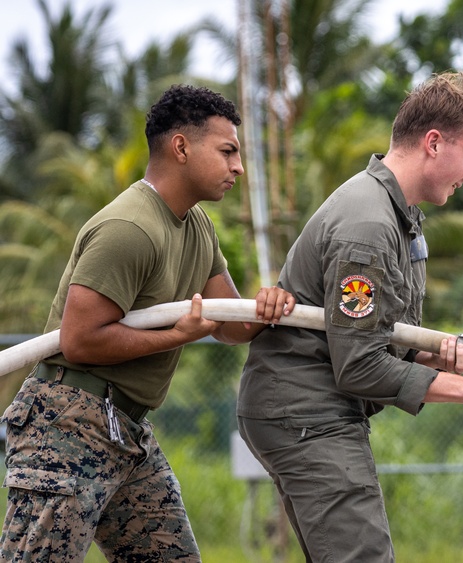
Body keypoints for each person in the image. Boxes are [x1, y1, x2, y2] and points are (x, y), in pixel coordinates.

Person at [237, 72, 463, 561]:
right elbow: (359, 364)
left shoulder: (398, 214)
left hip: (308, 410)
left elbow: (377, 335)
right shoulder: (368, 225)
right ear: (434, 143)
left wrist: (435, 358)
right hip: (306, 414)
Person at [0, 84, 296, 561]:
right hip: (66, 422)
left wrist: (268, 305)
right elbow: (78, 341)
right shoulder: (130, 228)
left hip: (126, 430)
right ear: (181, 147)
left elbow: (229, 324)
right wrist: (175, 337)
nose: (238, 167)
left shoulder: (197, 225)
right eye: (228, 151)